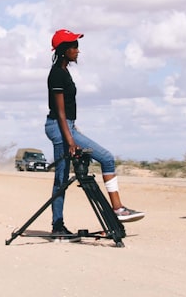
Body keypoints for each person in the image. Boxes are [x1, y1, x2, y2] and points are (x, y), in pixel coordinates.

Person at [45, 29, 143, 236]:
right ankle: (59, 225)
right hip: (60, 127)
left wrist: (73, 129)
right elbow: (60, 112)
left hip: (66, 126)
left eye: (77, 46)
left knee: (98, 162)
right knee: (65, 177)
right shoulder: (56, 74)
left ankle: (116, 210)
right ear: (63, 50)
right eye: (73, 46)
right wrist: (70, 139)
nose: (77, 50)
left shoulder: (64, 71)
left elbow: (66, 113)